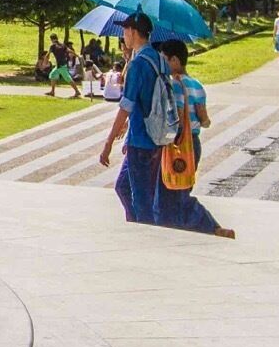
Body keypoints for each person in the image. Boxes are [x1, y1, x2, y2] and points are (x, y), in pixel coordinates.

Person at [97, 12, 232, 238]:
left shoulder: (141, 63)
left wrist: (108, 142)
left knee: (143, 201)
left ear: (132, 31)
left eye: (125, 31)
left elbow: (127, 104)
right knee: (125, 187)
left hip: (142, 139)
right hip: (156, 137)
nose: (123, 36)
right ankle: (138, 230)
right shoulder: (158, 59)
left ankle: (146, 242)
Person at [158, 38, 210, 171]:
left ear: (174, 60)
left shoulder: (175, 85)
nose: (161, 64)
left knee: (172, 186)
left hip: (178, 143)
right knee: (185, 186)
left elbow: (178, 120)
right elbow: (205, 121)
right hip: (194, 143)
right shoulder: (197, 85)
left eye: (164, 60)